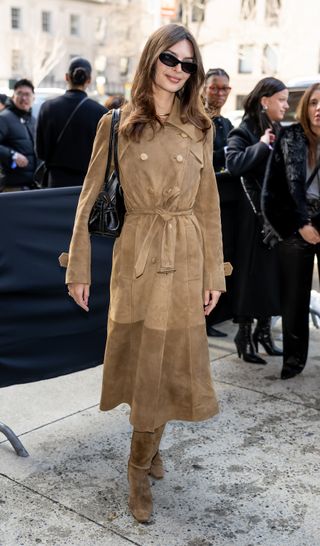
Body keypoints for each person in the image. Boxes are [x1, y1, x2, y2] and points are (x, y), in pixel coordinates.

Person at [64, 24, 225, 523]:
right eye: (170, 61)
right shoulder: (115, 122)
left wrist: (213, 275)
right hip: (137, 257)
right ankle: (139, 468)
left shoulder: (202, 124)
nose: (179, 71)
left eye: (188, 64)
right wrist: (79, 267)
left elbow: (208, 206)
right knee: (142, 362)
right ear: (151, 59)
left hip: (186, 256)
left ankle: (147, 451)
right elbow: (88, 198)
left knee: (173, 363)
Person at [226, 77, 289, 364]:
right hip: (252, 221)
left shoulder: (278, 129)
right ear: (265, 101)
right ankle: (244, 336)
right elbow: (234, 164)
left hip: (274, 219)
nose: (286, 106)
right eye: (282, 100)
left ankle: (264, 333)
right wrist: (262, 146)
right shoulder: (245, 130)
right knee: (251, 279)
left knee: (272, 279)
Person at [262, 83, 320, 379]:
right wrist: (300, 225)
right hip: (296, 224)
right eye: (314, 103)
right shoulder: (291, 135)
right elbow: (273, 191)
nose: (318, 108)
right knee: (294, 299)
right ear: (306, 107)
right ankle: (293, 361)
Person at [203, 68, 241, 337]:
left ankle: (216, 312)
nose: (220, 93)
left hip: (224, 200)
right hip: (200, 201)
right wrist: (225, 153)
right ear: (203, 88)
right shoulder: (196, 119)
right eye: (215, 87)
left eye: (225, 88)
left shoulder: (226, 123)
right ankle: (202, 319)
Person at [36, 57, 107, 188]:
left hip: (54, 182)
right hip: (87, 185)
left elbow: (40, 152)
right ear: (89, 80)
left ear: (66, 77)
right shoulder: (101, 112)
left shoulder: (47, 107)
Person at [0, 79, 37, 192]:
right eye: (19, 93)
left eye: (27, 94)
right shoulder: (4, 118)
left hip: (33, 186)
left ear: (33, 98)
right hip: (12, 187)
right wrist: (12, 155)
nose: (24, 98)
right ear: (13, 97)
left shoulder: (33, 120)